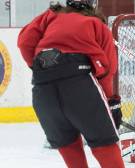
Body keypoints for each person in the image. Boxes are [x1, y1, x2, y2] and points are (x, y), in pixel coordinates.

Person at [17, 0, 125, 168]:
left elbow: (24, 42)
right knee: (104, 143)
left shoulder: (49, 17)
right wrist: (111, 101)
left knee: (67, 143)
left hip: (43, 88)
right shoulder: (95, 24)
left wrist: (46, 68)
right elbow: (107, 69)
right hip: (80, 84)